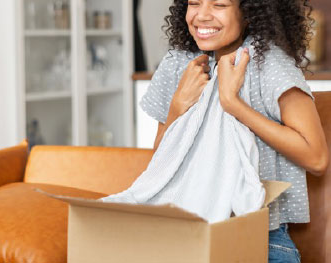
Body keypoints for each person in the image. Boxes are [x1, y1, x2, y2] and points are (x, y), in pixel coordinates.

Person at [139, 0, 329, 262]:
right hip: (186, 235)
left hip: (260, 239)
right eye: (194, 3)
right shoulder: (177, 64)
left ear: (248, 13)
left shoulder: (269, 64)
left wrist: (233, 104)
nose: (202, 15)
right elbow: (159, 167)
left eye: (219, 5)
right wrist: (177, 107)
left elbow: (317, 158)